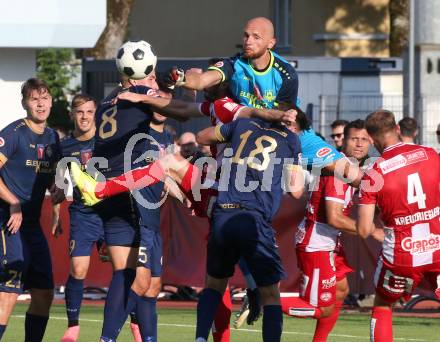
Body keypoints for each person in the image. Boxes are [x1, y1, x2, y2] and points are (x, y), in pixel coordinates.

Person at [193, 116, 303, 342]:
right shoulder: (290, 139)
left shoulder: (242, 123)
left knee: (213, 285)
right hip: (253, 218)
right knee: (271, 294)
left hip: (224, 212)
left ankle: (200, 339)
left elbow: (201, 136)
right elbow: (296, 189)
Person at [281, 119, 384, 342]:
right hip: (317, 242)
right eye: (353, 139)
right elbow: (334, 217)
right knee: (321, 308)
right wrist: (371, 230)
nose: (359, 144)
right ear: (342, 141)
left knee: (340, 290)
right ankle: (265, 299)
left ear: (371, 142)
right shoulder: (338, 171)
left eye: (364, 139)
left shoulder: (352, 168)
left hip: (328, 242)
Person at [357, 110, 440, 342]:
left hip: (401, 253)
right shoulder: (430, 154)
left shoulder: (373, 174)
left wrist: (378, 230)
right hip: (436, 248)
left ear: (372, 140)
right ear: (397, 130)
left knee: (383, 306)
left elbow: (363, 229)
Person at [0, 78, 61, 341]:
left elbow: (49, 178)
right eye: (34, 99)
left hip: (33, 226)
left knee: (44, 293)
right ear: (25, 102)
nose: (40, 104)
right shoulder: (13, 133)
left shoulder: (52, 137)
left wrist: (57, 199)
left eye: (44, 98)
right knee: (9, 292)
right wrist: (13, 202)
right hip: (7, 222)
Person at [165, 17, 298, 109]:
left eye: (256, 37)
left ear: (271, 43)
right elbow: (202, 80)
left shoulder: (286, 74)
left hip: (282, 132)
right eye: (246, 35)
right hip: (246, 127)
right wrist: (179, 77)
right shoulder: (234, 64)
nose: (248, 41)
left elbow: (281, 118)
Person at [56, 94, 104, 342]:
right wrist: (56, 216)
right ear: (72, 114)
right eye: (79, 112)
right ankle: (73, 327)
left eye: (89, 111)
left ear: (96, 113)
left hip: (111, 214)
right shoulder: (64, 147)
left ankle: (136, 326)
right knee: (78, 268)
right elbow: (58, 185)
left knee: (125, 270)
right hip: (82, 214)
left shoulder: (107, 139)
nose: (84, 116)